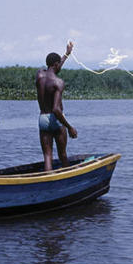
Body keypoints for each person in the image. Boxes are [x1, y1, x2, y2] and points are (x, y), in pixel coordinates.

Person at [35, 42, 77, 171]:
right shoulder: (58, 83)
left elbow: (53, 68)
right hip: (56, 119)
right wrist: (70, 127)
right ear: (56, 64)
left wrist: (66, 54)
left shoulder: (39, 75)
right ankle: (66, 180)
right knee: (62, 154)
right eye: (59, 64)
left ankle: (48, 181)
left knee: (48, 156)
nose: (60, 66)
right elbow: (56, 109)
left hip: (42, 118)